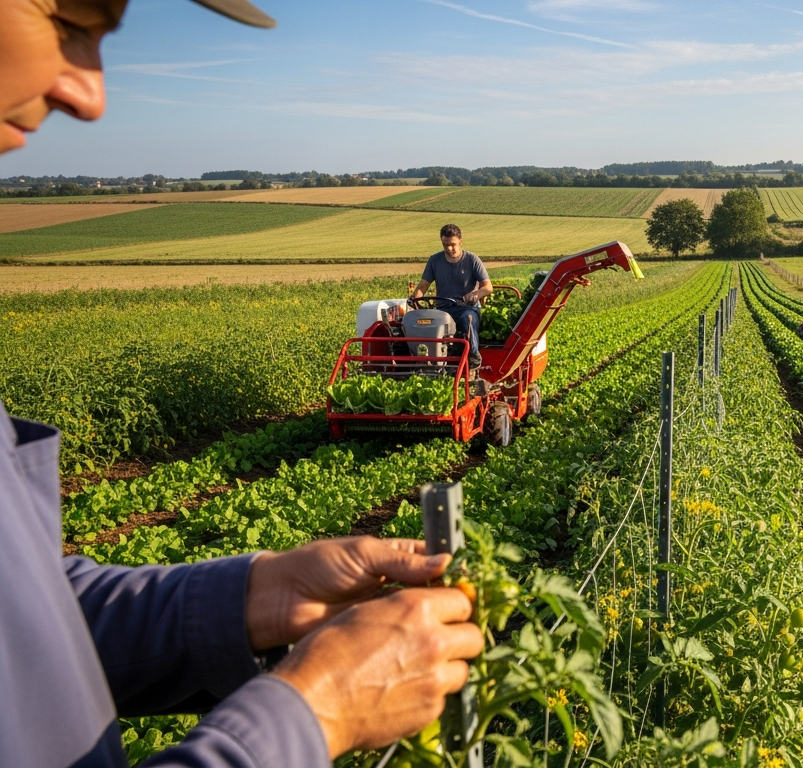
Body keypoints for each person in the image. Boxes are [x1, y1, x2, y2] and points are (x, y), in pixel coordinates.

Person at [1, 2, 484, 767]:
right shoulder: (431, 264)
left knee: (464, 335)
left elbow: (17, 620)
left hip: (462, 316)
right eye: (71, 19)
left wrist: (254, 597)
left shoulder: (471, 264)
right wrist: (312, 713)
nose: (89, 94)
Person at [411, 223, 493, 367]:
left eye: (453, 244)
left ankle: (473, 356)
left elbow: (488, 287)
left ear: (460, 241)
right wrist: (415, 298)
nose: (449, 248)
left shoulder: (472, 260)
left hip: (466, 307)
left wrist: (476, 294)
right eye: (445, 245)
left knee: (468, 320)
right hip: (442, 308)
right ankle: (426, 359)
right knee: (422, 324)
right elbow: (423, 286)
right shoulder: (435, 260)